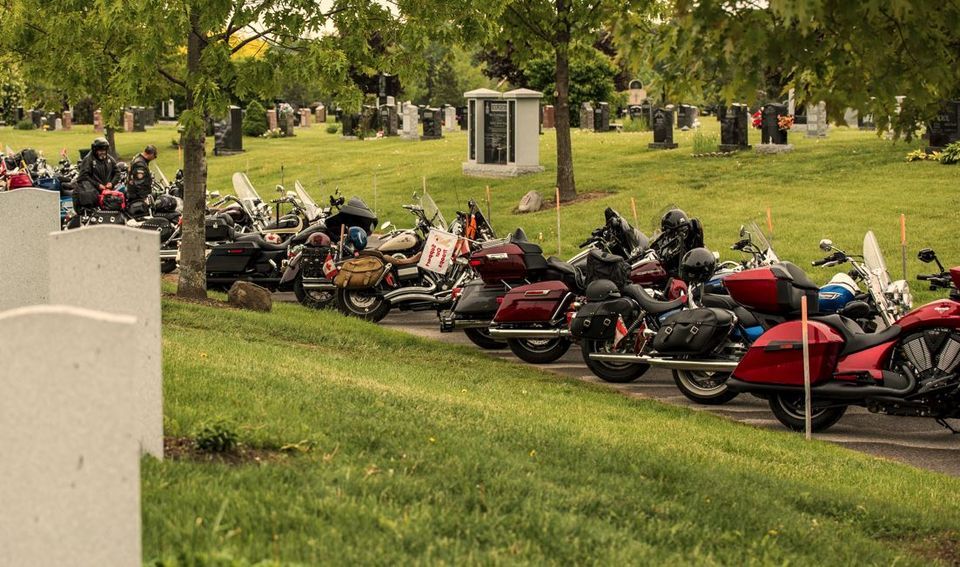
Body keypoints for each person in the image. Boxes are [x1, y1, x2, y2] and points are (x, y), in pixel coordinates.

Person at [74, 137, 121, 212]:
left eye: (104, 150)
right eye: (100, 150)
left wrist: (112, 183)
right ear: (95, 150)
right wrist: (97, 185)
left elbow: (117, 172)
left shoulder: (110, 159)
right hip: (92, 194)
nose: (103, 152)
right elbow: (83, 177)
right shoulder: (88, 160)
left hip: (106, 194)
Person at [126, 145, 157, 215]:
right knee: (142, 216)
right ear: (151, 154)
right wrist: (144, 198)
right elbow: (140, 183)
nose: (154, 158)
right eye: (154, 156)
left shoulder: (138, 158)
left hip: (134, 194)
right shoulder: (140, 164)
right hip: (137, 196)